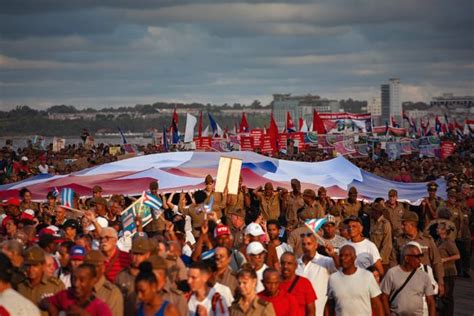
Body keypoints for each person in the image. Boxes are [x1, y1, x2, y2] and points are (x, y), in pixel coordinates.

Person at [393, 211, 445, 297]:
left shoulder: (427, 240)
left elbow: (436, 261)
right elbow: (394, 261)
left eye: (404, 224)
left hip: (425, 282)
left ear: (412, 225)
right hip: (405, 282)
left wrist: (440, 282)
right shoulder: (399, 240)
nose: (401, 226)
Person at [325, 245, 384, 316]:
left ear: (354, 258)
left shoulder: (367, 276)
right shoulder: (333, 278)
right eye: (341, 255)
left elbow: (377, 305)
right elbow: (330, 306)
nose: (343, 258)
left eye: (347, 255)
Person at [381, 243, 436, 316]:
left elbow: (431, 302)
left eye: (420, 256)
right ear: (406, 258)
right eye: (417, 257)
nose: (420, 259)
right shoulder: (392, 273)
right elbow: (384, 297)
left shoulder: (424, 276)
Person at [45, 263, 112, 316]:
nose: (76, 284)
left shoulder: (101, 308)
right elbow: (44, 301)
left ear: (93, 282)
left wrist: (83, 314)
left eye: (82, 280)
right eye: (74, 279)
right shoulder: (65, 295)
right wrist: (50, 307)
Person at [297, 234, 338, 316]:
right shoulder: (296, 263)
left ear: (316, 245)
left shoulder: (325, 261)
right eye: (303, 244)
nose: (306, 247)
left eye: (309, 244)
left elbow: (340, 267)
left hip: (319, 311)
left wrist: (333, 254)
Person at [17, 246, 65, 315]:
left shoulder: (55, 286)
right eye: (28, 265)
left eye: (35, 265)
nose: (31, 269)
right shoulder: (20, 286)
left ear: (42, 266)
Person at [115, 236, 152, 316]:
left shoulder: (153, 276)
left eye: (141, 254)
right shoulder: (121, 276)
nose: (137, 258)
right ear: (130, 253)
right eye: (135, 253)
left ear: (148, 254)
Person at [83, 249, 124, 316]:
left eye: (93, 267)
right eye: (86, 267)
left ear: (102, 268)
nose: (89, 270)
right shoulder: (79, 288)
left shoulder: (112, 293)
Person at [279, 252, 316, 316]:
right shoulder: (273, 283)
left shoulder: (305, 283)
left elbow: (311, 311)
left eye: (289, 263)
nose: (285, 266)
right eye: (283, 263)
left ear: (295, 266)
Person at [436, 223, 460, 316]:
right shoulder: (439, 241)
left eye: (438, 228)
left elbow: (457, 255)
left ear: (443, 231)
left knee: (447, 297)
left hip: (449, 272)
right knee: (442, 296)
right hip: (442, 272)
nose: (437, 229)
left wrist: (445, 259)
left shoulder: (449, 242)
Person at [369, 203, 393, 271]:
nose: (370, 213)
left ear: (377, 212)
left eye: (372, 211)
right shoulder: (372, 222)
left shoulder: (385, 224)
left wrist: (380, 259)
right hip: (372, 258)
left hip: (381, 260)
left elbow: (387, 244)